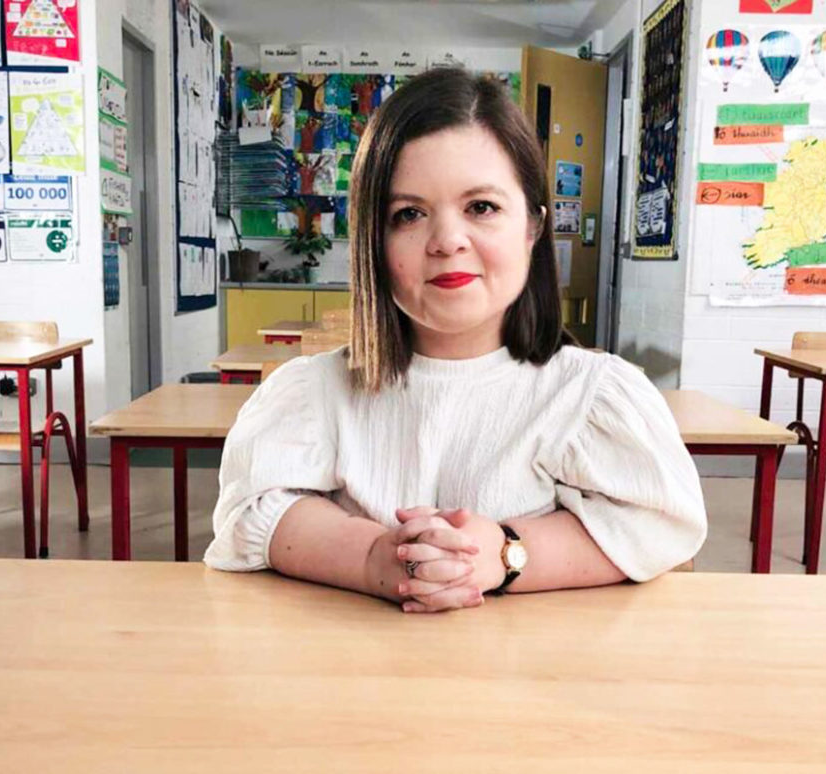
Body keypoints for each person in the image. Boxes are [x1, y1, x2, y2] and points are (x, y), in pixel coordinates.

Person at [205, 68, 706, 613]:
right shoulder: (314, 391)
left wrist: (505, 553)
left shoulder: (591, 394)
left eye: (481, 207)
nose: (446, 241)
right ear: (373, 240)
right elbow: (252, 513)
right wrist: (374, 555)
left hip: (533, 687)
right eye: (409, 214)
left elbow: (663, 529)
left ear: (533, 227)